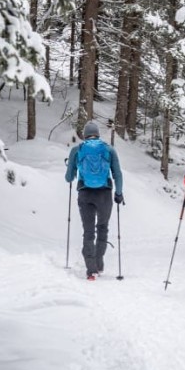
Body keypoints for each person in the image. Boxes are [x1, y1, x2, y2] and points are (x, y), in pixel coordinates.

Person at [65, 120, 124, 280]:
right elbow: (117, 173)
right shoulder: (108, 149)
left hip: (85, 194)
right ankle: (99, 263)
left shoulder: (77, 150)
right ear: (98, 134)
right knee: (103, 228)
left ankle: (91, 270)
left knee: (88, 231)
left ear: (84, 135)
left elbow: (68, 177)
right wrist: (119, 193)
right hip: (104, 194)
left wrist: (70, 166)